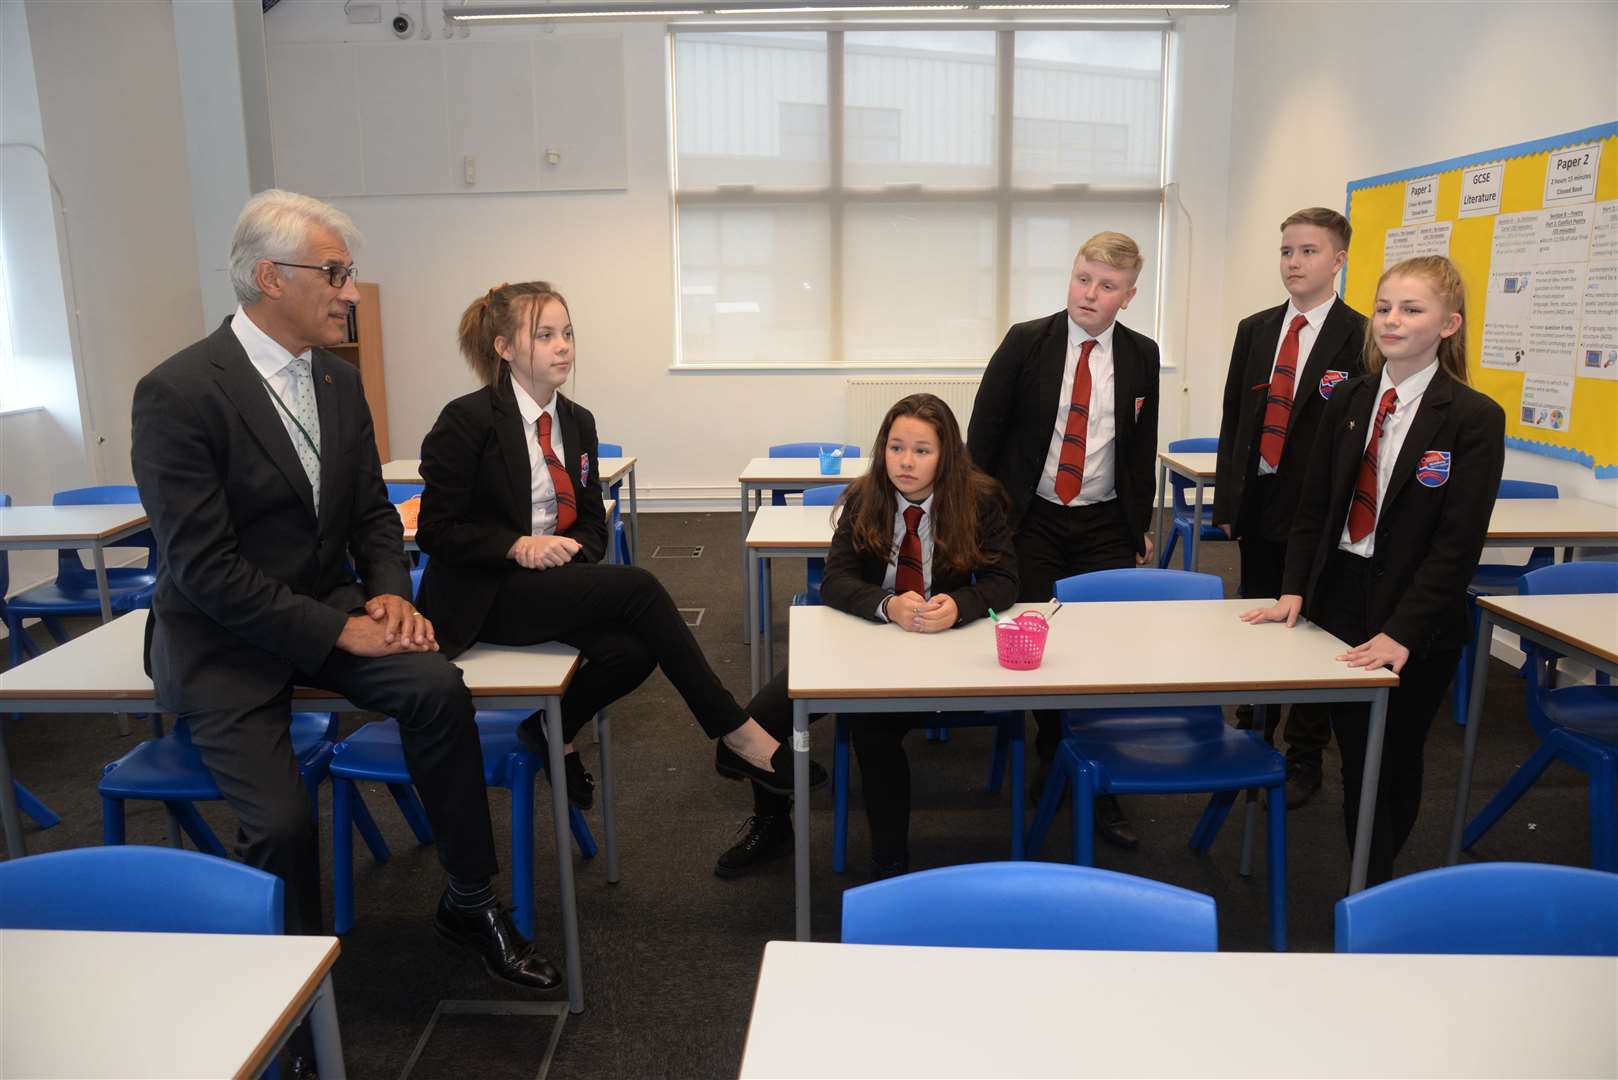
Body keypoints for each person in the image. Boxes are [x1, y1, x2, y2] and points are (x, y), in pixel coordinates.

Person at [131, 190, 560, 994]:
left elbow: (370, 512)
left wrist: (391, 592)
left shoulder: (334, 380)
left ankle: (470, 901)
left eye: (350, 273)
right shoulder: (178, 393)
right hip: (224, 639)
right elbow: (203, 568)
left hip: (331, 612)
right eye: (334, 273)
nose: (351, 292)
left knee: (437, 687)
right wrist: (337, 634)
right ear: (269, 277)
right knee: (282, 822)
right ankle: (286, 994)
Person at [414, 281, 806, 811]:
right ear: (504, 348)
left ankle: (554, 731)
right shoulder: (467, 419)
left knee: (633, 652)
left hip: (547, 587)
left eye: (568, 334)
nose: (563, 347)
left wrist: (566, 553)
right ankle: (736, 733)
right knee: (640, 588)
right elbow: (437, 531)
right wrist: (516, 547)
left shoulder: (577, 422)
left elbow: (594, 527)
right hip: (484, 596)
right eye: (546, 335)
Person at [1241, 255, 1504, 886]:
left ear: (1449, 324)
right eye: (1384, 307)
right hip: (1341, 599)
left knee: (1392, 757)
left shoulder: (1472, 417)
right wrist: (1295, 587)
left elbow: (1457, 547)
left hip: (1417, 617)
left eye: (1411, 310)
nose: (1391, 320)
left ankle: (1376, 880)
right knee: (1356, 748)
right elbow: (1316, 504)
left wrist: (1404, 633)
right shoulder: (1353, 396)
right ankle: (1365, 862)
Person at [716, 394, 1018, 879]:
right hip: (870, 642)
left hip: (949, 649)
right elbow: (835, 580)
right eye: (896, 447)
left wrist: (960, 606)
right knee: (760, 719)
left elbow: (1006, 580)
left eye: (922, 450)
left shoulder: (979, 500)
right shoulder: (866, 498)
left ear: (947, 456)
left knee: (872, 729)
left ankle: (889, 861)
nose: (906, 461)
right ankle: (773, 826)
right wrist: (886, 604)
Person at [966, 231, 1159, 849]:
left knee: (1099, 644)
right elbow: (984, 435)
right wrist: (978, 521)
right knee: (1041, 642)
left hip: (1103, 520)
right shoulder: (1028, 342)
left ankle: (1096, 774)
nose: (1089, 294)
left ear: (1128, 297)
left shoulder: (1141, 355)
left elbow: (1138, 447)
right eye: (1082, 278)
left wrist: (1140, 525)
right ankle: (1053, 753)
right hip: (1033, 517)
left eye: (1106, 286)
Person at [1213, 207, 1367, 809]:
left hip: (1320, 511)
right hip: (1261, 501)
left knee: (1310, 625)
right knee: (1258, 612)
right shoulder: (1256, 329)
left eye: (1308, 251)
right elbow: (1234, 421)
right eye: (1286, 252)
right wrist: (1229, 499)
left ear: (1338, 260)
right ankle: (1254, 728)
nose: (1294, 262)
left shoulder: (1359, 334)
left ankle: (1304, 750)